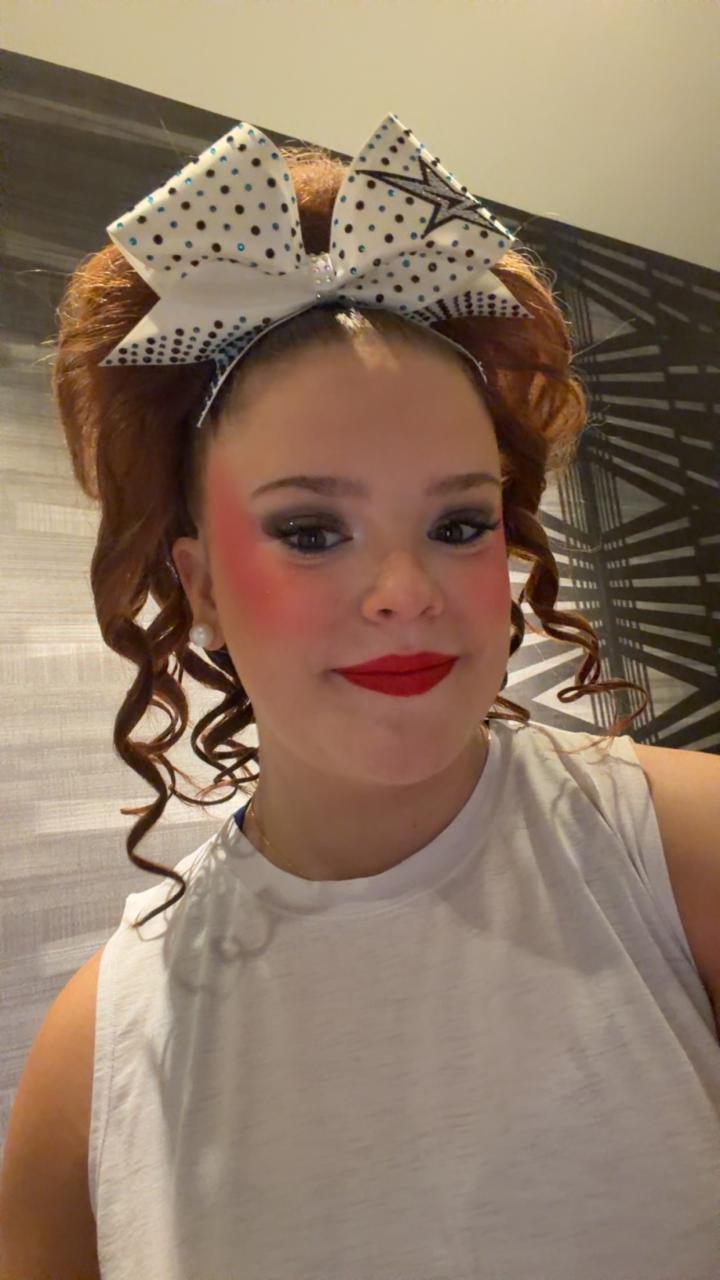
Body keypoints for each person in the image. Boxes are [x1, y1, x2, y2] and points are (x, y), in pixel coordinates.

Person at [7, 113, 720, 1279]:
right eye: (310, 530)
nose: (405, 591)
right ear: (202, 587)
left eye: (458, 522)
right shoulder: (90, 1061)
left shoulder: (685, 856)